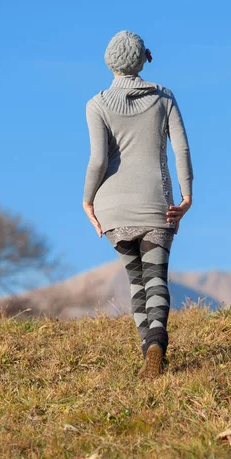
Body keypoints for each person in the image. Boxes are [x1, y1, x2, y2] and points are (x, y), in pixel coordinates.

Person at [82, 30, 194, 379]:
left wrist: (87, 200)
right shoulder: (164, 97)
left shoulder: (96, 103)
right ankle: (157, 343)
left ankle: (149, 348)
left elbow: (98, 160)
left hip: (112, 208)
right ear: (144, 58)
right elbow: (182, 150)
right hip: (156, 204)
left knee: (136, 282)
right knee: (155, 277)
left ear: (109, 61)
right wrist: (187, 195)